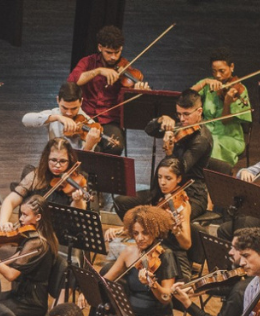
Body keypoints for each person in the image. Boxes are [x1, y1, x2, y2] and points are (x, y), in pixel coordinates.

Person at [117, 90, 212, 218]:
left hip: (191, 195)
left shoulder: (201, 139)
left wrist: (169, 151)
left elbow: (179, 169)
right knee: (121, 202)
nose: (182, 119)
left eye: (186, 114)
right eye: (179, 114)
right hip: (165, 189)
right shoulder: (181, 126)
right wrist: (161, 120)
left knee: (164, 216)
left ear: (199, 112)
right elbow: (149, 130)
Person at [66, 25, 149, 155]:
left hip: (110, 120)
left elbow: (126, 103)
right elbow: (72, 82)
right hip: (85, 117)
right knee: (90, 146)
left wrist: (137, 91)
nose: (114, 58)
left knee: (115, 146)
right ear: (100, 48)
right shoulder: (88, 62)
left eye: (117, 52)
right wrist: (98, 71)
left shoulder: (126, 68)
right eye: (108, 52)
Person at [0, 195, 59, 316]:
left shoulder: (37, 243)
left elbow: (11, 275)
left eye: (25, 215)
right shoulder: (34, 236)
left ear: (38, 217)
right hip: (19, 294)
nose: (21, 219)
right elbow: (15, 258)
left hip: (31, 303)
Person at [0, 138, 88, 233]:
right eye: (53, 160)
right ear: (46, 158)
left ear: (70, 160)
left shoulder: (77, 180)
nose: (57, 165)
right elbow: (10, 201)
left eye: (63, 161)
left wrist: (77, 201)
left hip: (62, 233)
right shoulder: (36, 176)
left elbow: (78, 214)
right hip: (34, 231)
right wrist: (3, 222)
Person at [190, 49, 252, 165]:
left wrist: (227, 103)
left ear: (232, 67)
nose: (218, 75)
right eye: (214, 71)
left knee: (212, 145)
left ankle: (214, 178)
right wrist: (204, 83)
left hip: (229, 137)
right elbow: (186, 98)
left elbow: (225, 121)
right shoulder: (208, 84)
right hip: (205, 133)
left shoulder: (239, 89)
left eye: (222, 71)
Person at [22, 81, 102, 151]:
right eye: (65, 108)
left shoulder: (91, 125)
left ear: (81, 102)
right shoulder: (54, 113)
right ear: (58, 100)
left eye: (74, 108)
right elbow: (25, 120)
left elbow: (85, 160)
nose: (69, 113)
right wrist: (57, 117)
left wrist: (88, 146)